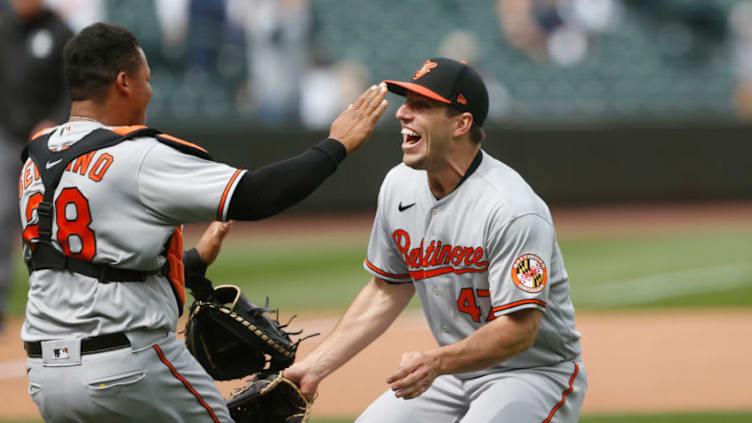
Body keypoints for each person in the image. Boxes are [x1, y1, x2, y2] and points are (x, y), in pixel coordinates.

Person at [19, 22, 387, 423]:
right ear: (124, 82)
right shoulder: (137, 155)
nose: (150, 90)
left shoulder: (36, 159)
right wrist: (337, 145)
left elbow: (78, 265)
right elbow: (257, 195)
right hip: (128, 369)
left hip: (45, 377)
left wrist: (191, 262)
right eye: (147, 79)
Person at [284, 57, 587, 422]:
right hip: (454, 371)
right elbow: (387, 288)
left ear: (461, 123)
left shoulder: (512, 208)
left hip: (532, 372)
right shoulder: (398, 185)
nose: (402, 114)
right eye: (406, 102)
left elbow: (519, 332)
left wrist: (437, 362)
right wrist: (316, 365)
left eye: (421, 106)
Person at [0, 0, 73, 333]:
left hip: (49, 145)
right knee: (2, 218)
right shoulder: (3, 30)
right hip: (7, 140)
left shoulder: (60, 32)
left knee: (52, 222)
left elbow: (75, 88)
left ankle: (57, 308)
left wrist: (53, 121)